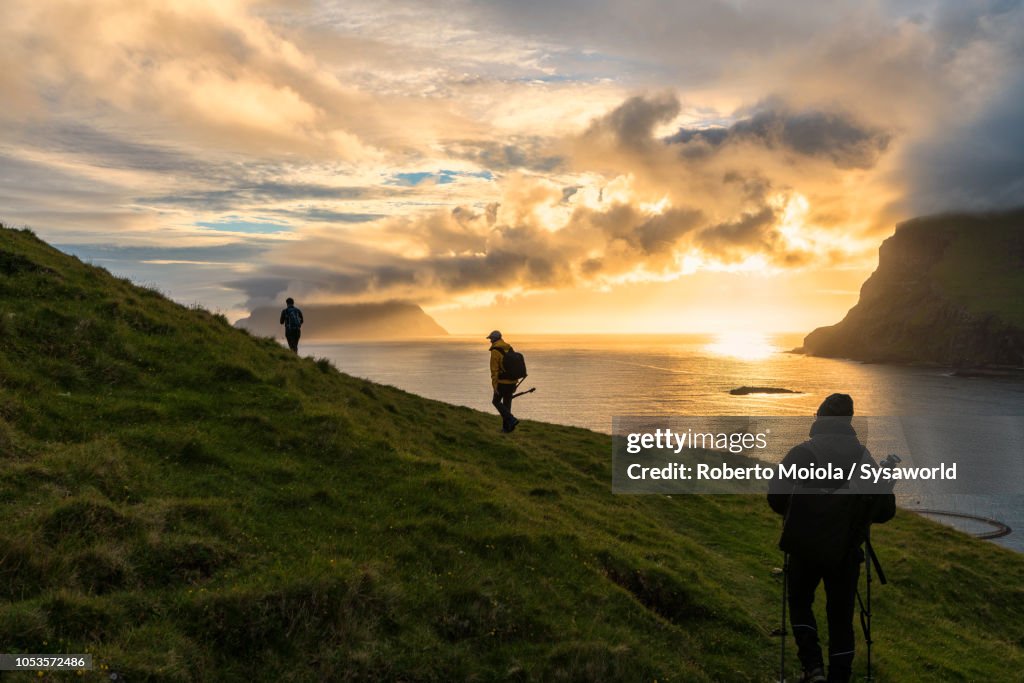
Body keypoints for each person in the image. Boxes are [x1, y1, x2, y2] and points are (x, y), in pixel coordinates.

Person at [767, 393, 895, 683]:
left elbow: (775, 498)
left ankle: (813, 669)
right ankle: (840, 677)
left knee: (800, 603)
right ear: (848, 421)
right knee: (840, 617)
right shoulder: (864, 458)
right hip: (845, 551)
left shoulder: (801, 453)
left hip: (804, 547)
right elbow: (885, 510)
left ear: (819, 418)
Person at [487, 330, 519, 433]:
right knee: (506, 405)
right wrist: (515, 382)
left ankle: (511, 419)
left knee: (495, 401)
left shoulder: (495, 351)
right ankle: (507, 428)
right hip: (512, 381)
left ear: (494, 339)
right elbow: (514, 366)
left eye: (491, 339)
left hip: (502, 383)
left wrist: (495, 386)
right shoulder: (509, 347)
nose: (490, 341)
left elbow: (494, 371)